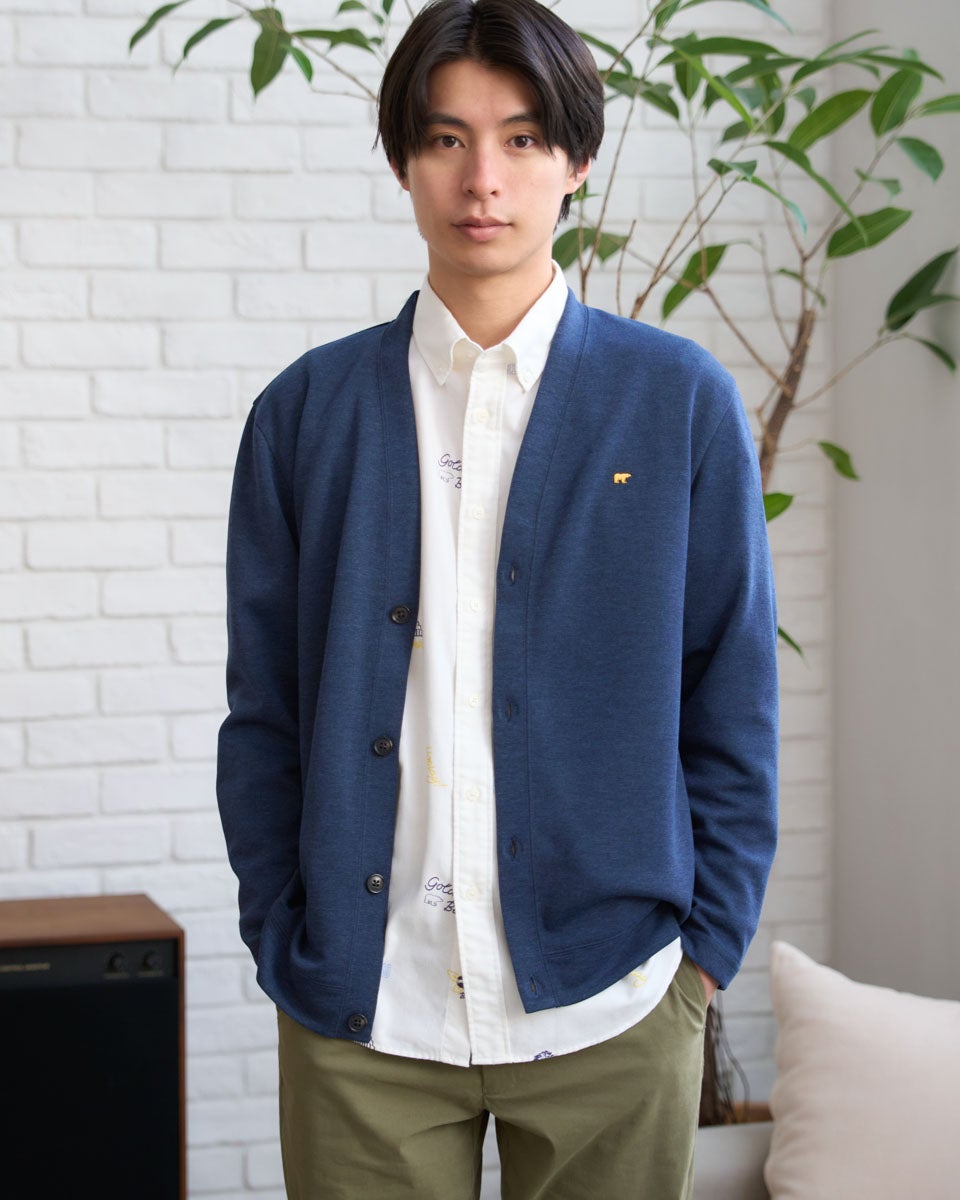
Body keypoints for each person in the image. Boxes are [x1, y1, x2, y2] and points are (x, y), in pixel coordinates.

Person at [216, 1, 779, 1196]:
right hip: (366, 1016)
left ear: (578, 162)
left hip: (616, 1005)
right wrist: (282, 931)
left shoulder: (677, 402)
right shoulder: (305, 414)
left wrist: (706, 953)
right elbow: (264, 713)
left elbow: (730, 693)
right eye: (446, 139)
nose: (484, 179)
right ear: (402, 162)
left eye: (523, 140)